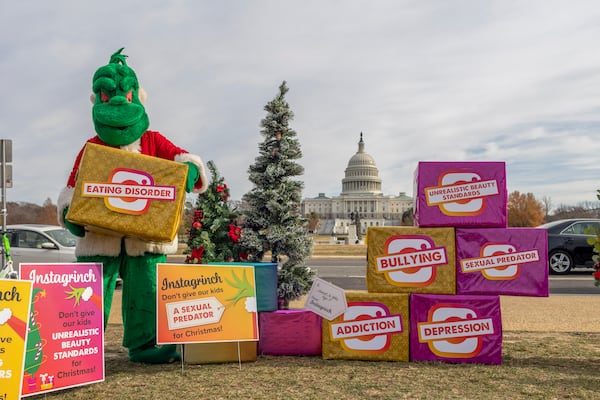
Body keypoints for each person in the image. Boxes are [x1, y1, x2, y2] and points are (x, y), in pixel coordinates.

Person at [58, 48, 207, 363]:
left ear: (136, 97)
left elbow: (184, 161)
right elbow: (72, 187)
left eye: (123, 96)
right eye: (106, 96)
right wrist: (68, 213)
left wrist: (190, 170)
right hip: (100, 238)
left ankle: (144, 344)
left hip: (145, 239)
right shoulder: (92, 148)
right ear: (97, 100)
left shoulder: (153, 141)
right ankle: (78, 348)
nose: (115, 103)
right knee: (90, 292)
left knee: (146, 291)